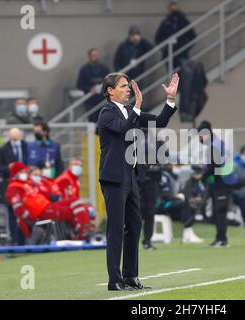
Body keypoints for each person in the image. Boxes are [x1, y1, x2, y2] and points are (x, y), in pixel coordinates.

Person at [97, 72, 179, 291]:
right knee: (116, 227)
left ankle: (130, 276)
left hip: (130, 176)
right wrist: (138, 106)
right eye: (123, 86)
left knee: (135, 224)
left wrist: (170, 99)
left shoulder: (130, 113)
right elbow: (123, 129)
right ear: (110, 91)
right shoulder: (106, 112)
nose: (128, 90)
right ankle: (115, 280)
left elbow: (160, 121)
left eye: (128, 86)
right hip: (113, 177)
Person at [198, 120, 237, 248]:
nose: (199, 138)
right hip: (219, 181)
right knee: (217, 211)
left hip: (223, 181)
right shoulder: (217, 144)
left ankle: (222, 240)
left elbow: (214, 166)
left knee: (220, 211)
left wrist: (202, 176)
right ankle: (219, 238)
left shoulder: (214, 146)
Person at [0, 128, 28, 245]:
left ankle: (25, 238)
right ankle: (14, 239)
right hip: (11, 186)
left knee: (25, 212)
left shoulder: (26, 147)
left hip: (25, 185)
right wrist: (9, 168)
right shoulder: (3, 149)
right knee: (12, 213)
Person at [155, 0, 196, 70]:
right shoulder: (165, 22)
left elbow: (192, 36)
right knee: (172, 75)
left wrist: (186, 47)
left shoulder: (184, 21)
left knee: (183, 75)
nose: (173, 7)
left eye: (175, 5)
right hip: (169, 54)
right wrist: (164, 48)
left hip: (182, 54)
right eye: (172, 5)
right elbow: (158, 38)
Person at [76, 48, 110, 123]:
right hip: (90, 101)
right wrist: (89, 89)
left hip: (102, 99)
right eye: (93, 55)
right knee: (92, 121)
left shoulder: (104, 69)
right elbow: (79, 85)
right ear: (89, 56)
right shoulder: (84, 70)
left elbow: (110, 82)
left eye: (96, 55)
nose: (95, 57)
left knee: (103, 120)